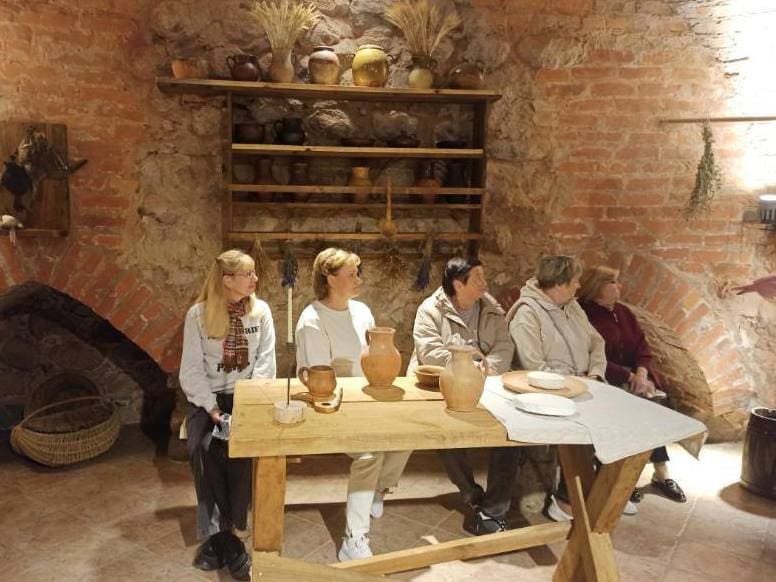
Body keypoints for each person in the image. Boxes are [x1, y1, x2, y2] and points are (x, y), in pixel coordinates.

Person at [295, 248, 411, 561]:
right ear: (330, 279)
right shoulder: (312, 320)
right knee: (371, 452)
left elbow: (373, 359)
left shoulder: (362, 312)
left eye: (358, 273)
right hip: (330, 407)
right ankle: (353, 539)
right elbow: (320, 382)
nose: (358, 279)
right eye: (351, 274)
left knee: (408, 435)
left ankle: (376, 489)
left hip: (366, 400)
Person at [505, 256, 638, 520]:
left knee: (627, 420)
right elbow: (534, 367)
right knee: (590, 425)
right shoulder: (526, 314)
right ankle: (565, 499)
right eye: (575, 281)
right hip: (550, 393)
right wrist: (576, 383)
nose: (579, 286)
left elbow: (597, 342)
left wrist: (596, 373)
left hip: (586, 383)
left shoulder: (572, 306)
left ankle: (605, 489)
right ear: (559, 284)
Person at [179, 249, 277, 580]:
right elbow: (191, 371)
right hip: (208, 400)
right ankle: (230, 540)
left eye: (253, 273)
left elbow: (265, 364)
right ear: (227, 280)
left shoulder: (260, 312)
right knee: (204, 450)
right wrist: (215, 411)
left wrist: (246, 407)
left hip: (247, 395)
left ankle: (227, 533)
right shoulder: (198, 315)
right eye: (248, 274)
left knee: (240, 455)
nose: (255, 279)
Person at [408, 256, 519, 535]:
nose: (485, 282)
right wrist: (470, 368)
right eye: (478, 277)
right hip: (442, 385)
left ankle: (494, 508)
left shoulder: (490, 308)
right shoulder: (430, 310)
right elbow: (431, 352)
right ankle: (471, 493)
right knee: (447, 434)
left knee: (513, 431)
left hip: (486, 382)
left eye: (484, 275)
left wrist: (484, 369)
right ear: (459, 284)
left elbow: (504, 346)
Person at [578, 265, 686, 503]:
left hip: (635, 376)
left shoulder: (623, 312)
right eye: (613, 282)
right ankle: (624, 474)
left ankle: (660, 471)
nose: (619, 286)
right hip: (605, 377)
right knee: (636, 411)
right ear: (597, 286)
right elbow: (590, 357)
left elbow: (642, 347)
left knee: (652, 407)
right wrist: (628, 377)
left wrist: (642, 372)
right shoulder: (584, 314)